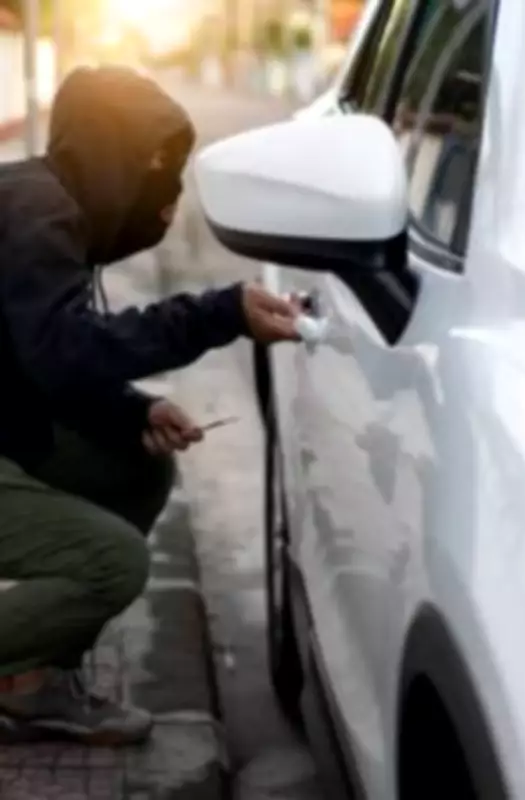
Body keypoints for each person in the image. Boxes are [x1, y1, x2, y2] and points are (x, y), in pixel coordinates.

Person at [0, 66, 300, 746]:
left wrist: (131, 412)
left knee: (138, 467)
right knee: (115, 563)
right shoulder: (39, 213)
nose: (164, 202)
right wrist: (218, 313)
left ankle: (33, 679)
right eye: (151, 167)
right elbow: (64, 353)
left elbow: (36, 361)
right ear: (109, 157)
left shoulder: (41, 201)